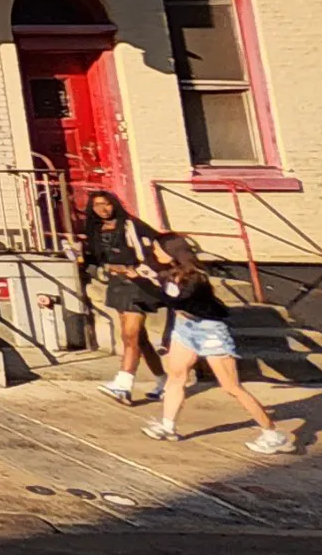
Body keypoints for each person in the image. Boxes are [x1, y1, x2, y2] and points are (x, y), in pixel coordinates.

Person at [138, 233, 293, 455]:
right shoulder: (169, 271)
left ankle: (273, 435)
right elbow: (168, 297)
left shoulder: (195, 277)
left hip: (209, 330)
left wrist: (145, 280)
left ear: (171, 251)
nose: (154, 253)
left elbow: (177, 300)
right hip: (184, 328)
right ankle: (167, 426)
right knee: (176, 376)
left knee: (231, 386)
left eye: (158, 249)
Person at [75, 189, 165, 405]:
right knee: (139, 338)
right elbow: (95, 258)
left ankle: (123, 384)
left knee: (130, 335)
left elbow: (157, 248)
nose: (103, 209)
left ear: (114, 204)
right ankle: (164, 380)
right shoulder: (95, 230)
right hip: (116, 283)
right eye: (97, 205)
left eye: (106, 204)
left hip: (136, 283)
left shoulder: (130, 224)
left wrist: (142, 270)